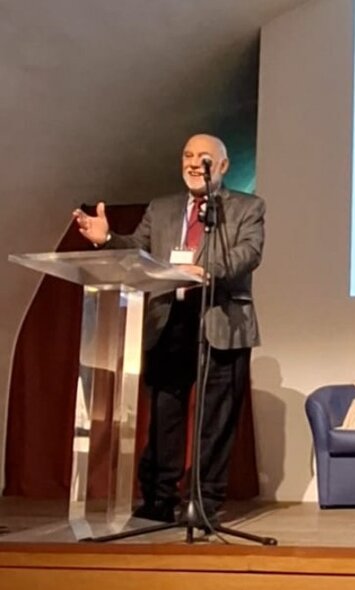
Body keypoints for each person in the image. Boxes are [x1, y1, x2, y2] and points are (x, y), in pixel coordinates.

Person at [72, 134, 265, 523]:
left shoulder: (247, 206)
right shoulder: (161, 209)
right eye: (188, 156)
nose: (194, 163)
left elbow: (249, 253)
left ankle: (203, 502)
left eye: (204, 158)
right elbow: (136, 251)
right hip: (169, 322)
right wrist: (107, 238)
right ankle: (159, 498)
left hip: (221, 321)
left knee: (215, 420)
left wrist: (207, 270)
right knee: (165, 418)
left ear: (223, 166)